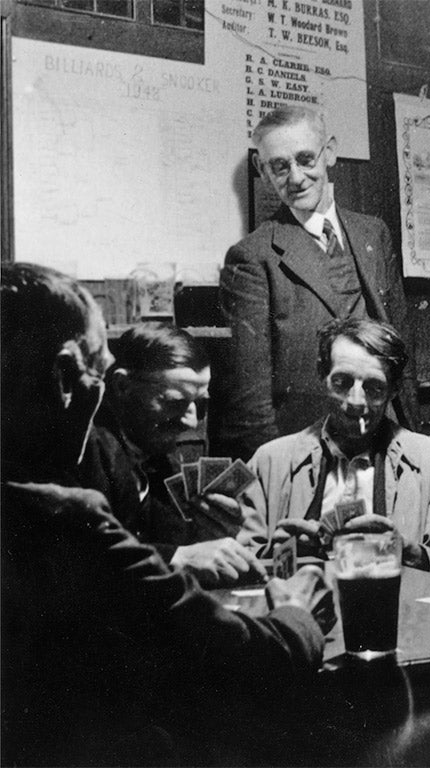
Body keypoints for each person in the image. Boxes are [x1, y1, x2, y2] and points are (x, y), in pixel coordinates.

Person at [0, 263, 333, 766]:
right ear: (67, 377)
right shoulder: (64, 517)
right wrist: (298, 614)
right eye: (100, 372)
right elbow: (244, 659)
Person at [218, 105, 418, 461]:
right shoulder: (253, 257)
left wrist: (412, 439)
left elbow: (403, 353)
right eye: (280, 166)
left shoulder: (374, 233)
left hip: (386, 444)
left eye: (306, 159)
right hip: (310, 454)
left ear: (330, 153)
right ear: (262, 171)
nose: (295, 178)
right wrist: (286, 478)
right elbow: (251, 402)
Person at [238, 317, 430, 576]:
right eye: (342, 383)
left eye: (374, 388)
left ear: (394, 389)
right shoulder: (270, 462)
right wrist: (282, 554)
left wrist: (408, 553)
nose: (355, 401)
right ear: (322, 375)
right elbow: (237, 564)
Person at [76, 323, 264, 587]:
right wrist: (177, 557)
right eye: (175, 402)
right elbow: (78, 558)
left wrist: (205, 534)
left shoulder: (165, 460)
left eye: (201, 404)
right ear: (122, 386)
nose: (191, 422)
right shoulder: (83, 451)